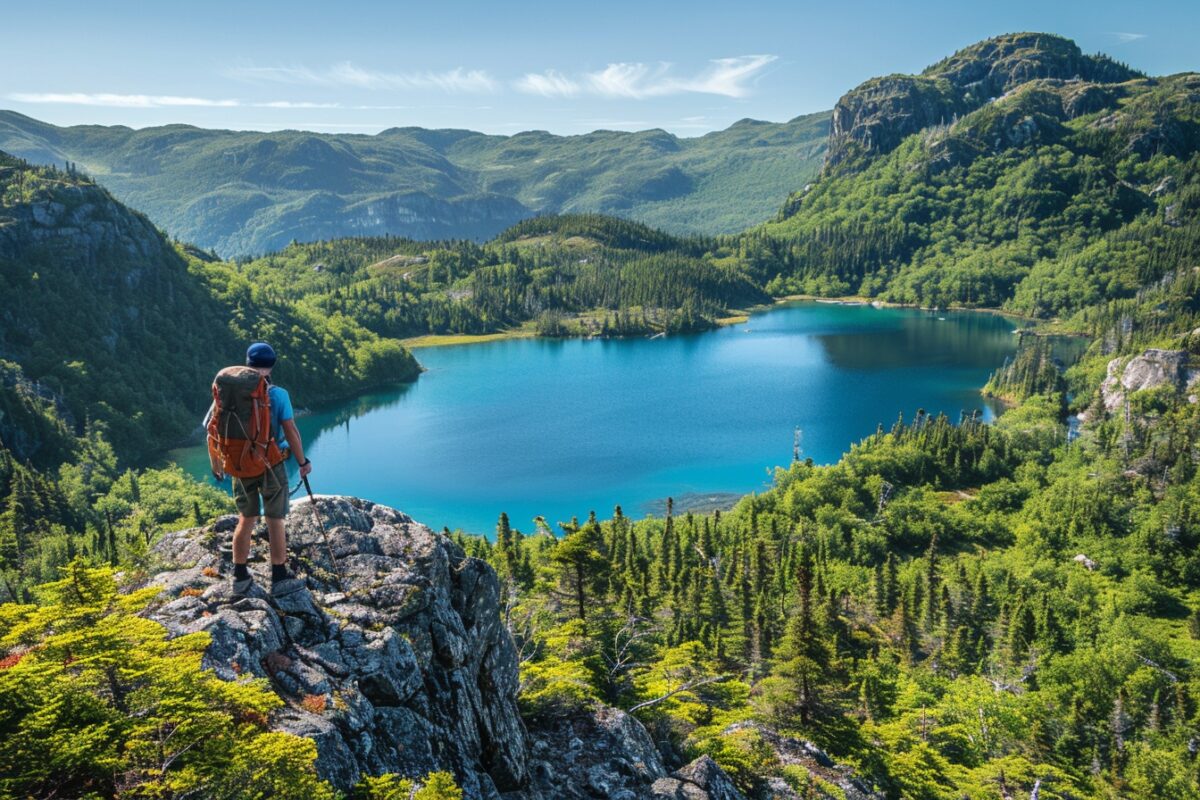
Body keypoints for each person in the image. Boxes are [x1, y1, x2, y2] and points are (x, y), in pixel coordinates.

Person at [211, 342, 313, 597]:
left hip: (238, 464)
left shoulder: (227, 392)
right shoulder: (277, 394)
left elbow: (212, 431)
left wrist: (218, 465)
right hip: (270, 464)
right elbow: (290, 430)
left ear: (248, 362)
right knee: (275, 518)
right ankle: (279, 576)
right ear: (272, 365)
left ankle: (240, 575)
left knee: (246, 518)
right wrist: (303, 463)